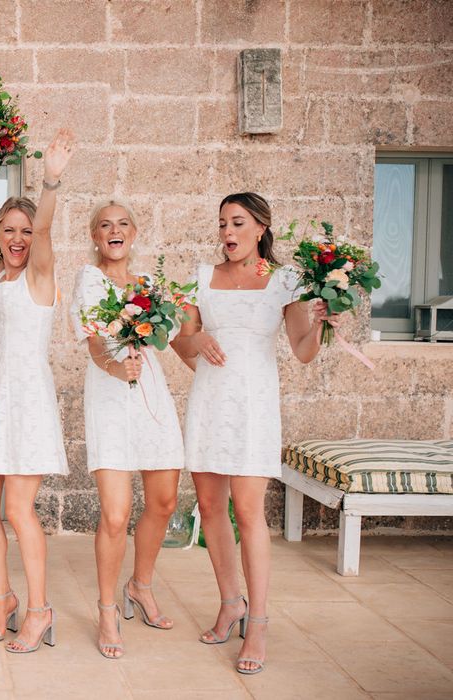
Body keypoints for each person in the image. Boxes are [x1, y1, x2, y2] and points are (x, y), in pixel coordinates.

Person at [172, 192, 339, 675]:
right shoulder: (202, 276)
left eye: (238, 223)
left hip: (254, 403)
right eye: (222, 223)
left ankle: (259, 622)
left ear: (262, 227)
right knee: (209, 508)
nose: (228, 232)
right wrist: (195, 337)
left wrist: (319, 325)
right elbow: (180, 339)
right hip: (209, 400)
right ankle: (231, 603)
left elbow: (301, 350)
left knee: (248, 511)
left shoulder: (284, 281)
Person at [0, 129, 74, 654]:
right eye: (8, 230)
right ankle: (2, 598)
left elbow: (47, 229)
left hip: (28, 402)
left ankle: (39, 610)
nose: (16, 239)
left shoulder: (40, 275)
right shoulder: (2, 277)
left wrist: (50, 180)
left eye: (24, 231)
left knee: (18, 511)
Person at [69, 202, 183, 659]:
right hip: (112, 394)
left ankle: (141, 585)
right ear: (96, 237)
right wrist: (115, 367)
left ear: (134, 233)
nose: (114, 231)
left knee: (164, 501)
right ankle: (107, 609)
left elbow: (172, 338)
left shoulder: (150, 286)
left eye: (122, 224)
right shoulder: (89, 278)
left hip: (151, 394)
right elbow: (95, 340)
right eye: (104, 225)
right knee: (116, 515)